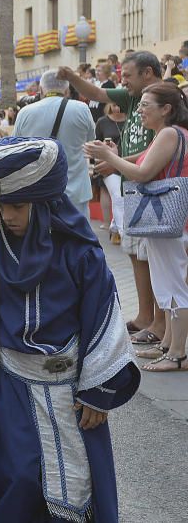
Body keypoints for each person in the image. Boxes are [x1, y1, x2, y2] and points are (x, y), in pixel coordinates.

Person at [0, 136, 140, 522]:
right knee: (15, 477)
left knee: (79, 484)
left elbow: (104, 317)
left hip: (72, 394)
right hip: (9, 392)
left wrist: (100, 392)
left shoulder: (82, 257)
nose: (7, 216)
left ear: (46, 202)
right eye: (0, 207)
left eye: (18, 206)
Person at [86, 83, 188, 372]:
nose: (139, 110)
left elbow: (142, 174)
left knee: (175, 285)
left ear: (166, 109)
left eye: (145, 105)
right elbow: (140, 163)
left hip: (172, 221)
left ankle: (178, 353)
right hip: (168, 222)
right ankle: (169, 343)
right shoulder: (166, 134)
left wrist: (110, 158)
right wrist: (114, 156)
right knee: (166, 283)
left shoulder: (169, 133)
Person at [64, 53, 165, 345]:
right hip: (133, 186)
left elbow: (157, 151)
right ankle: (146, 316)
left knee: (153, 258)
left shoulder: (161, 99)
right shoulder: (135, 97)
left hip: (151, 189)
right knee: (135, 254)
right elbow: (96, 93)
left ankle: (160, 325)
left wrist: (114, 159)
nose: (123, 83)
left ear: (148, 72)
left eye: (128, 77)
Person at [13, 70, 96, 220]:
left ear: (41, 90)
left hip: (38, 192)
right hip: (76, 193)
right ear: (67, 90)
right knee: (78, 240)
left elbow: (16, 150)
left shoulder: (25, 113)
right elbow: (91, 142)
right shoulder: (82, 109)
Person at [95, 103, 127, 245]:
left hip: (127, 162)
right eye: (113, 104)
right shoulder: (103, 122)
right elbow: (96, 141)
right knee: (116, 195)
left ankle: (115, 230)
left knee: (119, 196)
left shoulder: (131, 119)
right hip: (108, 163)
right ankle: (121, 232)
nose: (116, 107)